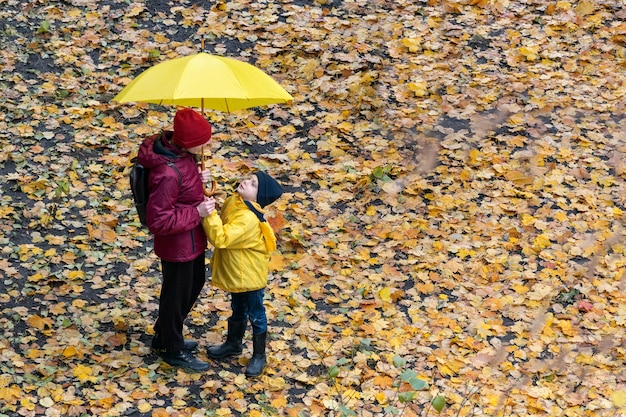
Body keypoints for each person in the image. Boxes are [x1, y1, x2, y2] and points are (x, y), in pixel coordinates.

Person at [136, 107, 214, 372]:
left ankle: (165, 334)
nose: (208, 144)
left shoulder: (182, 156)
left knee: (193, 285)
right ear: (189, 143)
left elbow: (186, 189)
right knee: (175, 294)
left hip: (192, 240)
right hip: (178, 245)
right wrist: (197, 212)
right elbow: (159, 221)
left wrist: (199, 177)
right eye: (203, 141)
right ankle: (173, 348)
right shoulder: (167, 173)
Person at [199, 171, 283, 377]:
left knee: (256, 313)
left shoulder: (248, 219)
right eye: (248, 178)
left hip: (250, 275)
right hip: (238, 272)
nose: (246, 182)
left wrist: (209, 215)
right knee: (238, 308)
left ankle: (259, 355)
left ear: (258, 197)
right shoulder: (235, 201)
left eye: (253, 184)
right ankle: (234, 344)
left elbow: (222, 237)